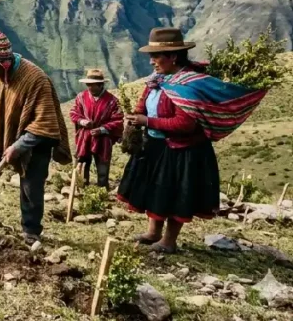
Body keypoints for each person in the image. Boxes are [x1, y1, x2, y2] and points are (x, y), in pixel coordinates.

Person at [117, 28, 266, 254]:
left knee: (175, 193)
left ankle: (169, 240)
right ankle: (153, 232)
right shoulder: (158, 80)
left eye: (156, 57)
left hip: (182, 150)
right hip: (156, 146)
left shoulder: (189, 85)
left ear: (173, 56)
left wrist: (147, 121)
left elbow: (184, 124)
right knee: (155, 190)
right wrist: (136, 116)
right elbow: (144, 102)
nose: (151, 62)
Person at [0, 28, 72, 244]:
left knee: (31, 183)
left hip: (35, 141)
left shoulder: (36, 79)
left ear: (4, 63)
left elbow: (45, 122)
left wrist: (19, 146)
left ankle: (31, 231)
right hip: (0, 135)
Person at [70, 69, 123, 189]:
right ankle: (82, 186)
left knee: (102, 165)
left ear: (100, 85)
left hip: (103, 139)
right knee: (83, 162)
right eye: (88, 84)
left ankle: (102, 189)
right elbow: (74, 112)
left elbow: (118, 120)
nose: (89, 87)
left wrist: (102, 129)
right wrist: (83, 121)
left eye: (92, 85)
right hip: (85, 137)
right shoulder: (81, 97)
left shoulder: (112, 101)